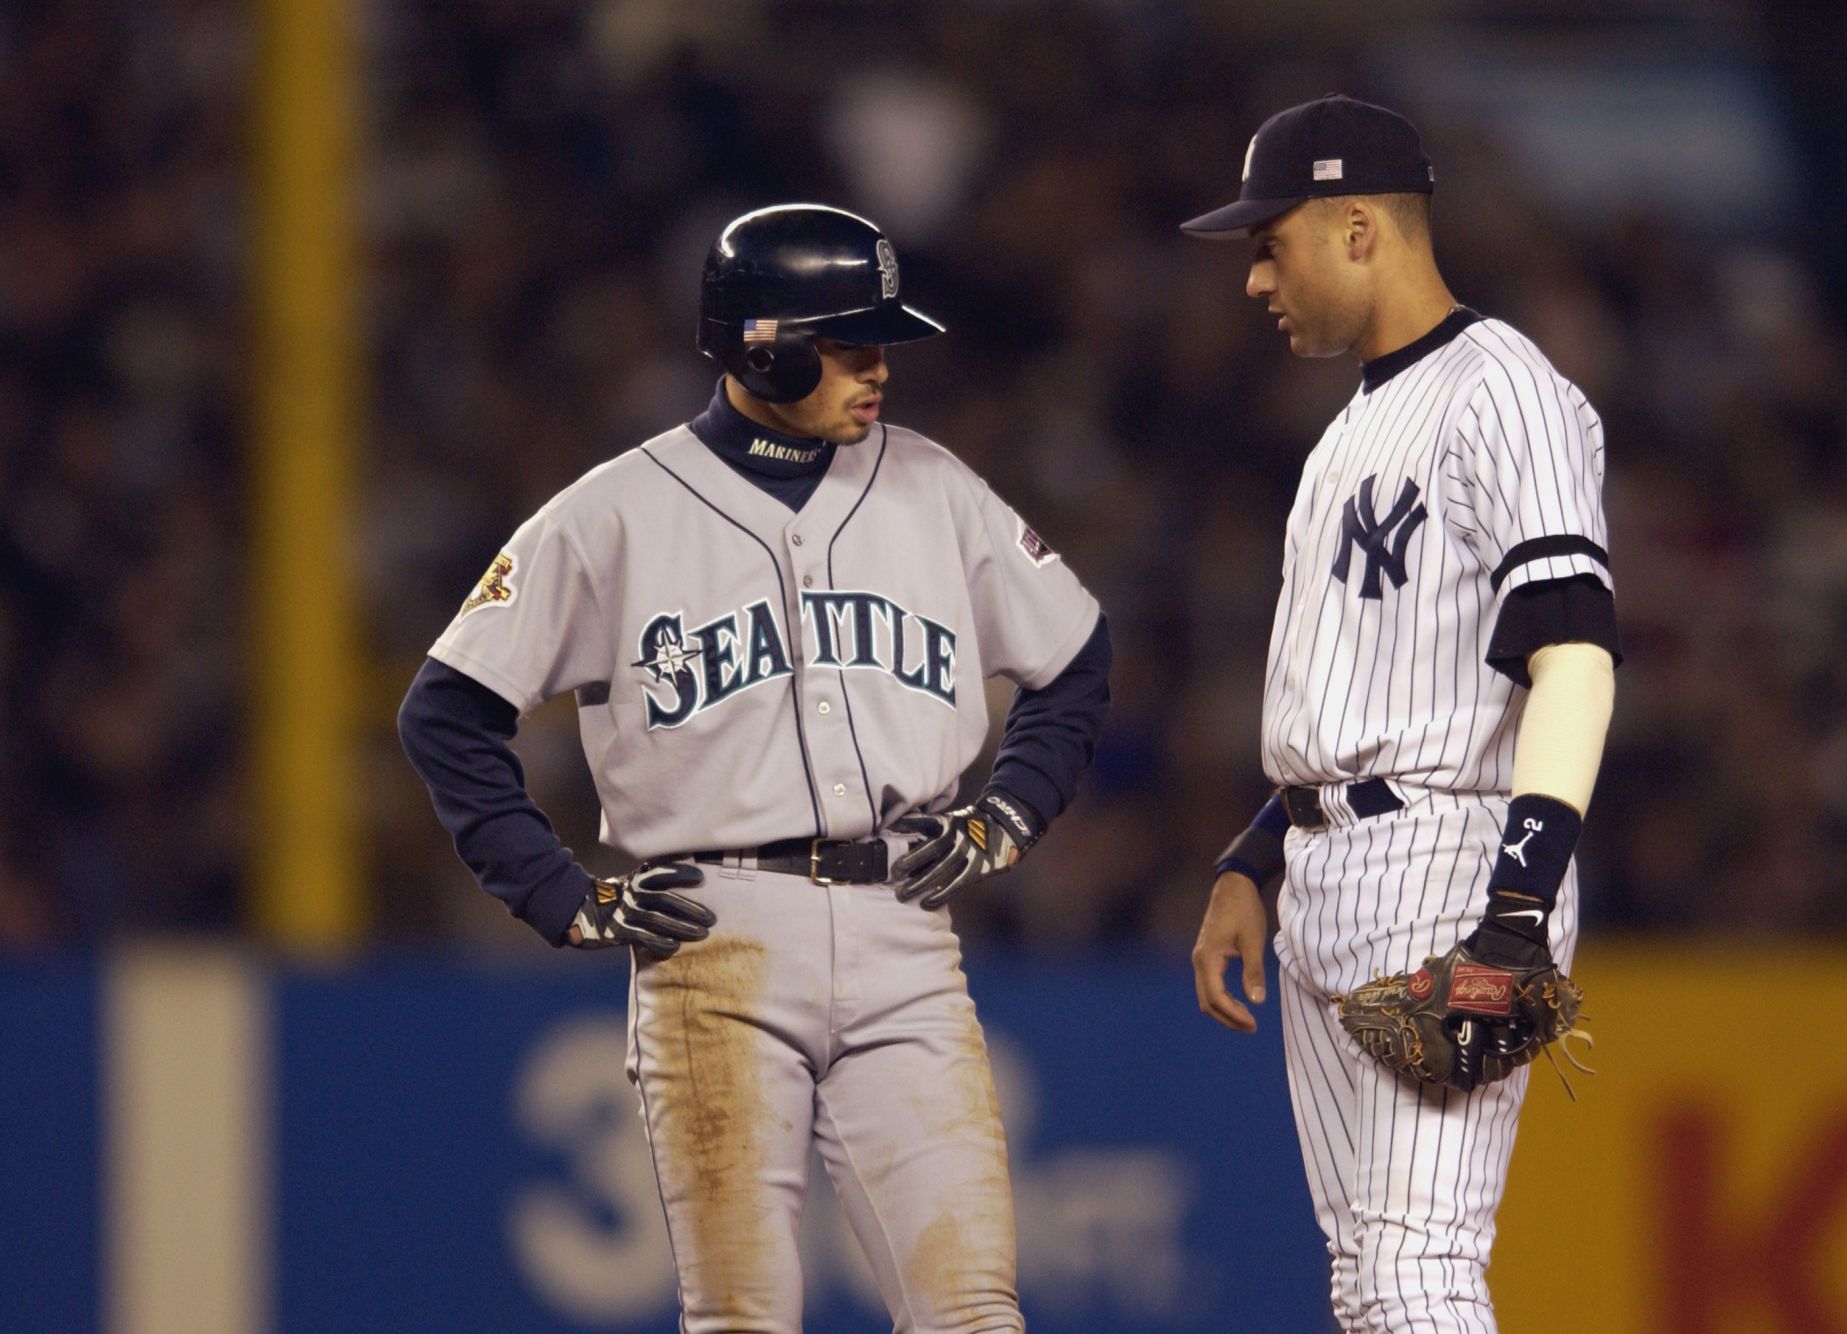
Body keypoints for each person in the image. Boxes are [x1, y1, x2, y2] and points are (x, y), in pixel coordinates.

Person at [397, 203, 1110, 1333]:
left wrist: (1005, 815)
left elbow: (1073, 659)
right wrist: (557, 892)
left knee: (973, 1312)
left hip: (904, 926)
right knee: (741, 1315)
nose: (879, 367)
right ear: (761, 341)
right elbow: (445, 710)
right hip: (711, 938)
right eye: (851, 341)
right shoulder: (614, 512)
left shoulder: (934, 486)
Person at [1180, 96, 1620, 1330]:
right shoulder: (1349, 432)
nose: (1254, 277)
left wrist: (1519, 904)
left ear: (1358, 227)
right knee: (1369, 1280)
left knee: (1417, 1266)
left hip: (1449, 858)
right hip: (1327, 855)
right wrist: (1254, 858)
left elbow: (1574, 654)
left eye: (1271, 243)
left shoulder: (1507, 393)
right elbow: (1359, 689)